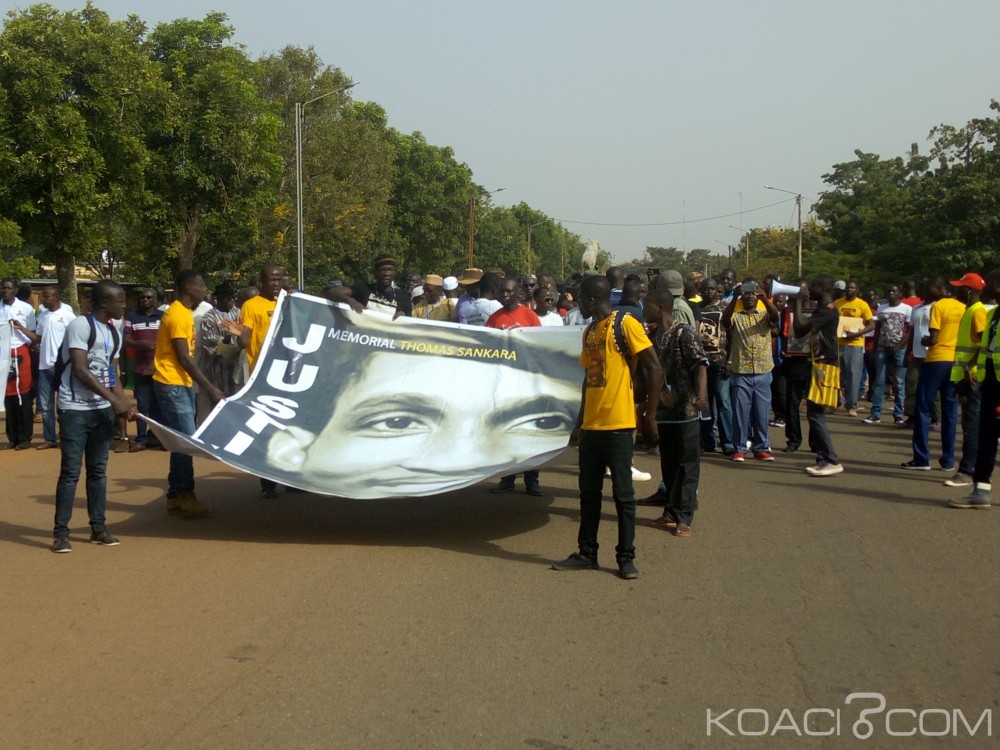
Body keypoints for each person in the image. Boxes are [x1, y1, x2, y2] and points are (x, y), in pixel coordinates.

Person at [552, 275, 662, 580]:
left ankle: (626, 557)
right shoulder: (589, 331)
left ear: (589, 300)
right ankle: (587, 552)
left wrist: (649, 415)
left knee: (623, 496)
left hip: (619, 425)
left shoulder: (624, 325)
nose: (576, 303)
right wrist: (579, 423)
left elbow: (653, 366)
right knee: (588, 493)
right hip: (592, 427)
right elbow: (590, 378)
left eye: (579, 298)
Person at [52, 280, 136, 552]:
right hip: (75, 409)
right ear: (103, 303)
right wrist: (113, 400)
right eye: (119, 301)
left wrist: (123, 403)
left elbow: (111, 373)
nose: (124, 305)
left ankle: (98, 528)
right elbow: (80, 369)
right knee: (70, 473)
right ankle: (61, 533)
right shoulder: (80, 325)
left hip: (100, 411)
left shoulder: (114, 331)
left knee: (98, 472)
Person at [153, 270, 225, 517]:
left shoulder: (184, 313)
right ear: (188, 288)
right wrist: (210, 387)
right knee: (186, 442)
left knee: (181, 441)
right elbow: (184, 357)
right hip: (172, 384)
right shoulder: (177, 315)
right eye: (201, 285)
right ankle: (186, 495)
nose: (204, 290)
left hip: (180, 384)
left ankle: (175, 495)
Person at [644, 287, 708, 537]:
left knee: (687, 464)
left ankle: (684, 516)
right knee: (668, 463)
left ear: (660, 307)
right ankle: (670, 512)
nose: (643, 309)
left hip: (686, 410)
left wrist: (700, 396)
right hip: (664, 411)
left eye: (647, 305)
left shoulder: (684, 333)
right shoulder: (653, 336)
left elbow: (700, 365)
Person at [488, 279, 544, 495]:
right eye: (501, 290)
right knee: (506, 431)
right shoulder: (494, 318)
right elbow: (488, 348)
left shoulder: (529, 316)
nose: (504, 294)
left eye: (509, 291)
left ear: (517, 293)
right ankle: (507, 478)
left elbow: (539, 345)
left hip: (527, 382)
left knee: (530, 432)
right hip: (504, 383)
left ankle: (532, 480)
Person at [902, 277, 964, 471]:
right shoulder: (962, 307)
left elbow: (934, 338)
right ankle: (948, 461)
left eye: (928, 289)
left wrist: (925, 341)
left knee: (922, 407)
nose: (925, 293)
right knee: (950, 410)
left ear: (939, 288)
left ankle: (921, 458)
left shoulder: (938, 307)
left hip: (936, 359)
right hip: (955, 361)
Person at [951, 269, 1000, 509]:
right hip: (990, 384)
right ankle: (980, 491)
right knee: (987, 439)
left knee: (987, 437)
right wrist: (969, 373)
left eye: (989, 283)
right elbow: (985, 350)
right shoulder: (993, 316)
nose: (985, 286)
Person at [722, 280, 779, 462]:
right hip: (741, 371)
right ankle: (739, 448)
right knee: (740, 414)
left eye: (753, 293)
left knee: (762, 413)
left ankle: (762, 447)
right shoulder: (736, 316)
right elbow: (724, 321)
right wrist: (734, 299)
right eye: (746, 293)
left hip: (763, 371)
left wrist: (765, 298)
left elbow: (775, 316)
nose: (750, 296)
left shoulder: (764, 315)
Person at [793, 276, 844, 476]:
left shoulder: (826, 311)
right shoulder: (826, 310)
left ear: (819, 292)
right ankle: (823, 457)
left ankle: (830, 459)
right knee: (814, 413)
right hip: (822, 364)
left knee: (816, 414)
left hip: (825, 366)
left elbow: (798, 330)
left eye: (809, 290)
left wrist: (797, 302)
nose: (807, 293)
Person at [943, 273, 988, 487]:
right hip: (966, 376)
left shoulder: (977, 312)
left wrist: (970, 367)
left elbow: (983, 343)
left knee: (972, 425)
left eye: (961, 287)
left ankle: (967, 471)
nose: (957, 291)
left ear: (970, 291)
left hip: (974, 378)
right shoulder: (970, 311)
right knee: (969, 424)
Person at [34, 287, 76, 449]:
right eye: (43, 297)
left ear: (57, 296)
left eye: (47, 296)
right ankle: (49, 439)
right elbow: (38, 338)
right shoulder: (43, 316)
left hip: (63, 366)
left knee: (64, 403)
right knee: (45, 405)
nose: (44, 299)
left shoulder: (68, 316)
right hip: (44, 366)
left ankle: (66, 436)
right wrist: (20, 329)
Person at [864, 284, 912, 425]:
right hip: (882, 348)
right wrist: (874, 348)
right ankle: (875, 413)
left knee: (899, 382)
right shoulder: (881, 308)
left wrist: (899, 346)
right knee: (879, 381)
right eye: (889, 291)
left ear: (899, 294)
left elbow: (909, 332)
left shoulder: (906, 309)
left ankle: (898, 414)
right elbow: (878, 329)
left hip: (900, 349)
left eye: (894, 291)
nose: (891, 293)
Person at [697, 277, 733, 455]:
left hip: (720, 362)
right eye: (706, 289)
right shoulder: (697, 309)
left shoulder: (725, 309)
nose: (709, 292)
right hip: (702, 365)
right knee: (704, 404)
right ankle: (708, 441)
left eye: (712, 288)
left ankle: (728, 442)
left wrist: (730, 361)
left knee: (723, 402)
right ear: (700, 290)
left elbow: (732, 336)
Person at [124, 287, 163, 451]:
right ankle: (141, 439)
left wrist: (154, 364)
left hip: (160, 369)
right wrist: (142, 344)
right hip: (140, 368)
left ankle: (158, 437)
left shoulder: (163, 317)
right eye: (142, 297)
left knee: (160, 406)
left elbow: (166, 343)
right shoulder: (132, 316)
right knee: (143, 405)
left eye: (149, 297)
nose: (145, 300)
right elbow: (126, 341)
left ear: (155, 300)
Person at [196, 282, 242, 417]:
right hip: (217, 363)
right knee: (219, 397)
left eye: (233, 298)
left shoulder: (238, 313)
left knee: (235, 397)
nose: (232, 301)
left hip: (237, 361)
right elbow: (210, 340)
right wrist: (228, 338)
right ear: (219, 299)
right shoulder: (209, 317)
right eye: (228, 298)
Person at [2, 277, 37, 449]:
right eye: (3, 288)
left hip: (21, 351)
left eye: (9, 288)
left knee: (22, 395)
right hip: (2, 354)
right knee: (7, 397)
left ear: (15, 290)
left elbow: (33, 333)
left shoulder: (26, 308)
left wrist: (18, 327)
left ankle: (25, 437)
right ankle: (12, 437)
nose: (6, 291)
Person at [834, 280, 875, 417]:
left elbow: (871, 325)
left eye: (852, 288)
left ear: (857, 290)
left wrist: (857, 334)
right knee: (836, 376)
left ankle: (852, 406)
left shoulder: (862, 305)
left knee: (853, 377)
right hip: (838, 343)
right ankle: (837, 402)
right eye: (848, 288)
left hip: (855, 345)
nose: (849, 290)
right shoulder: (837, 303)